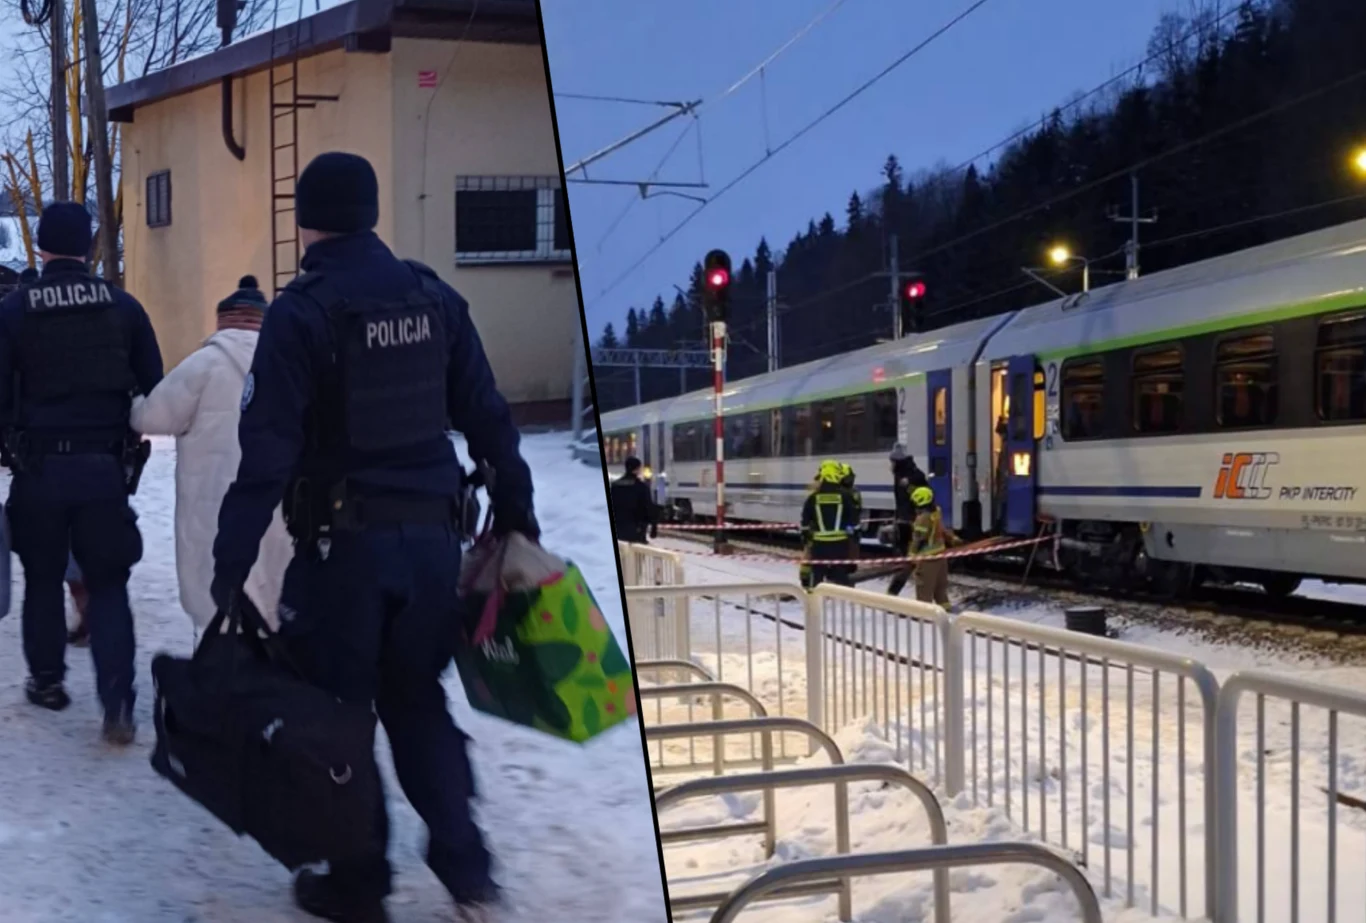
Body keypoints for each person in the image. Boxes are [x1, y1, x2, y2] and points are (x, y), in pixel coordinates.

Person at [211, 151, 538, 923]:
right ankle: (470, 873)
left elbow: (266, 453)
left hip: (341, 556)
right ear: (373, 211)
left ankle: (357, 884)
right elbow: (490, 417)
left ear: (306, 217)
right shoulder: (435, 297)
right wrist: (517, 517)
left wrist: (230, 561)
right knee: (417, 699)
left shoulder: (301, 311)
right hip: (432, 550)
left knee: (337, 715)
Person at [0, 202, 163, 743]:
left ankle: (47, 682)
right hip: (103, 469)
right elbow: (153, 387)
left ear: (41, 249)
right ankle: (117, 702)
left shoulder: (16, 311)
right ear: (90, 248)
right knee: (109, 583)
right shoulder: (123, 307)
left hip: (39, 468)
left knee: (44, 579)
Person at [130, 275, 290, 636]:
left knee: (215, 583)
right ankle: (272, 665)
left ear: (223, 321)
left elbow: (151, 416)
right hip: (275, 495)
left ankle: (223, 665)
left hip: (213, 498)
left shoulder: (204, 364)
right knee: (271, 574)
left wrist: (131, 401)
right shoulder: (287, 363)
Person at [898, 485, 962, 607]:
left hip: (927, 560)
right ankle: (945, 610)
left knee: (924, 590)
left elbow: (918, 539)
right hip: (941, 557)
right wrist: (953, 538)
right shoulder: (936, 513)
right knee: (940, 589)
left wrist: (911, 556)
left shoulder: (922, 519)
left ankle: (924, 617)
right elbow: (942, 529)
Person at [800, 460, 859, 588]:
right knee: (841, 575)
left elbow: (805, 521)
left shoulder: (813, 497)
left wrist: (806, 538)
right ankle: (847, 599)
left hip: (819, 545)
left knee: (817, 576)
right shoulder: (845, 496)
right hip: (840, 544)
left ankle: (813, 600)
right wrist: (854, 536)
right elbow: (854, 521)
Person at [609, 455, 655, 543]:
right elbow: (648, 509)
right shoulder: (642, 487)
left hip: (617, 531)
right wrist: (653, 525)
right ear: (637, 469)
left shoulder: (615, 486)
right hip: (636, 533)